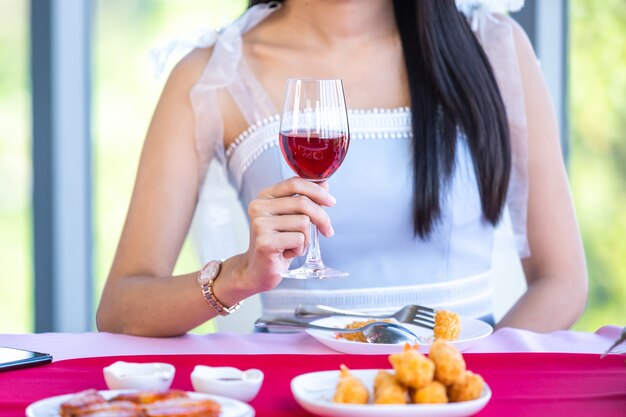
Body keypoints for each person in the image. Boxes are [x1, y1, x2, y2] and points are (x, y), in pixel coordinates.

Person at [96, 0, 588, 337]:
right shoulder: (211, 73)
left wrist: (462, 380)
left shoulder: (493, 47)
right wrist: (239, 275)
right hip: (290, 391)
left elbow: (562, 280)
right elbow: (120, 308)